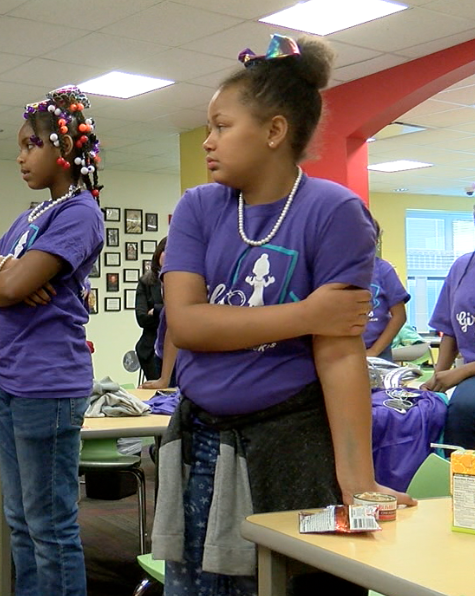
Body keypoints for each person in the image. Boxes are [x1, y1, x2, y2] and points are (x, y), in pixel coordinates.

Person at [152, 34, 413, 596]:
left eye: (222, 126)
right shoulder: (199, 208)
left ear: (274, 131)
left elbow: (340, 351)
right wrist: (308, 313)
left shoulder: (334, 211)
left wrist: (358, 481)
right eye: (208, 128)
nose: (208, 142)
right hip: (201, 443)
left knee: (284, 585)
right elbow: (189, 324)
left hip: (291, 445)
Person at [0, 85, 104, 596]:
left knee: (49, 524)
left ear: (62, 149)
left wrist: (2, 281)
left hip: (49, 386)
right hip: (11, 383)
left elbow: (4, 290)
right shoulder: (31, 218)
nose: (20, 157)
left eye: (29, 145)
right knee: (18, 517)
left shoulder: (80, 212)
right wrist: (3, 267)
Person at [422, 210, 475, 448]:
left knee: (464, 408)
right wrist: (437, 380)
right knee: (432, 411)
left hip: (469, 374)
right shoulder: (463, 266)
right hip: (468, 375)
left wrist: (460, 373)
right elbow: (449, 329)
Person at [364, 219, 410, 361]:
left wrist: (374, 351)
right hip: (340, 350)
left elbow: (399, 316)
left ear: (376, 241)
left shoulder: (383, 270)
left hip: (377, 352)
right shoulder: (336, 269)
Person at [135, 237, 167, 381]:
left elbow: (183, 316)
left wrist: (157, 310)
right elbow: (142, 318)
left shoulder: (185, 283)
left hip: (179, 352)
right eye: (165, 251)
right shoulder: (146, 282)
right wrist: (166, 311)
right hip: (150, 350)